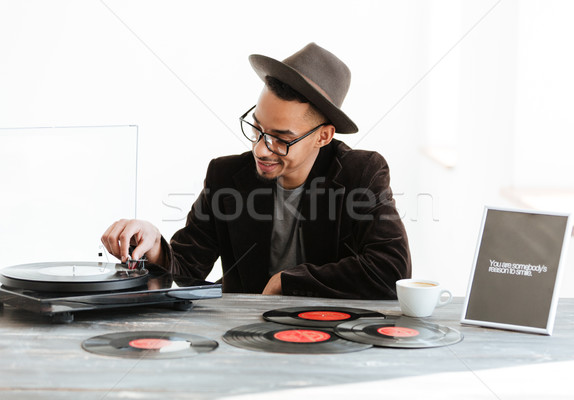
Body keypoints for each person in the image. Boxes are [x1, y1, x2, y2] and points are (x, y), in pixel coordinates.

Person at [101, 43, 411, 299]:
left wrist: (288, 282)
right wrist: (155, 247)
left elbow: (391, 271)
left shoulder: (361, 172)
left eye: (282, 139)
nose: (261, 149)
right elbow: (186, 271)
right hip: (244, 338)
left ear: (323, 136)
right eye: (258, 129)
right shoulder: (226, 176)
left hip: (332, 335)